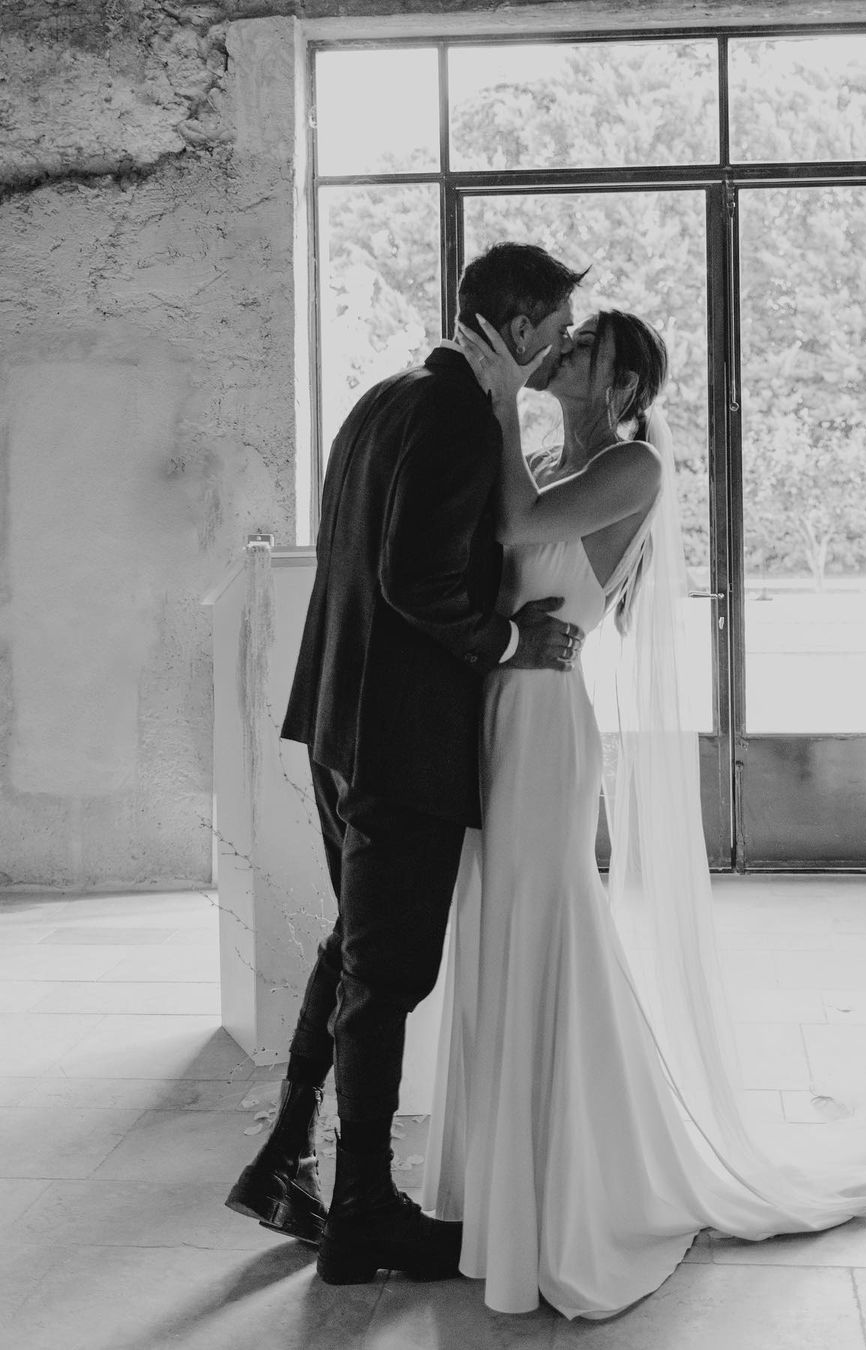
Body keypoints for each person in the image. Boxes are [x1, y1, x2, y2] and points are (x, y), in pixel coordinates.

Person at [425, 309, 866, 1319]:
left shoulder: (633, 468)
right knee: (496, 928)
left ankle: (579, 1194)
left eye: (582, 350)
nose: (560, 353)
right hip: (493, 710)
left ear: (621, 388)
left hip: (545, 725)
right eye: (563, 343)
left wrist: (500, 399)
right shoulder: (549, 456)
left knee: (544, 929)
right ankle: (502, 1192)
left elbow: (516, 527)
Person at [225, 242, 589, 1285]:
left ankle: (286, 1157)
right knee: (388, 977)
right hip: (403, 741)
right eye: (556, 332)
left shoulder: (384, 398)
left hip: (339, 727)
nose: (559, 350)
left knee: (357, 949)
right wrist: (513, 641)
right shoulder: (460, 416)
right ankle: (363, 1214)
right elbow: (415, 580)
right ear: (516, 329)